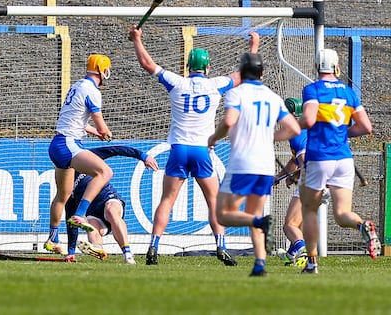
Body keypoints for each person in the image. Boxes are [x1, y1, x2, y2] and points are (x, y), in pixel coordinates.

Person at [129, 25, 259, 266]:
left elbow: (148, 65)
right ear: (207, 67)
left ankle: (153, 246)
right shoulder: (215, 84)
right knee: (214, 200)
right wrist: (253, 46)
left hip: (178, 149)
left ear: (188, 66)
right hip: (201, 150)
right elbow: (245, 75)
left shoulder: (176, 83)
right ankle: (221, 246)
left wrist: (137, 39)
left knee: (167, 200)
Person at [208, 53, 301, 277]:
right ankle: (260, 264)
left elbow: (229, 121)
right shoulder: (273, 97)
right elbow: (293, 129)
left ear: (242, 72)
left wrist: (214, 137)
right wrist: (269, 136)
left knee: (223, 214)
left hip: (243, 163)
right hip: (265, 165)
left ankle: (259, 222)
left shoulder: (236, 93)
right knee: (255, 211)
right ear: (263, 73)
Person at [298, 49, 380, 274]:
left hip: (319, 157)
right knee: (343, 214)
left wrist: (292, 123)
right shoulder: (349, 92)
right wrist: (344, 134)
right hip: (344, 159)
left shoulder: (312, 89)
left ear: (317, 66)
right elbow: (366, 127)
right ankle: (362, 225)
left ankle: (312, 263)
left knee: (309, 210)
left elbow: (308, 119)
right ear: (336, 67)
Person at [44, 54, 115, 255]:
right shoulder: (92, 91)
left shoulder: (77, 85)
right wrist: (105, 132)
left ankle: (52, 238)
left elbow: (77, 121)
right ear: (103, 71)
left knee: (63, 195)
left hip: (57, 144)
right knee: (104, 172)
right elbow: (100, 123)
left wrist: (95, 132)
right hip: (68, 144)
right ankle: (81, 214)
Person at [64, 144, 159, 264]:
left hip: (108, 199)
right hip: (93, 213)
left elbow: (115, 150)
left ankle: (128, 254)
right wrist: (71, 252)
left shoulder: (86, 157)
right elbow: (71, 219)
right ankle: (98, 249)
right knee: (91, 227)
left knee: (111, 211)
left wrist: (143, 156)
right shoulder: (66, 186)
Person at [274, 97, 308, 267]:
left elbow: (304, 161)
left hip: (310, 182)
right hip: (324, 180)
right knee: (298, 225)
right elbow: (295, 161)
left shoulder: (296, 133)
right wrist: (281, 176)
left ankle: (304, 252)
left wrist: (296, 176)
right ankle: (291, 256)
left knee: (289, 226)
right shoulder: (306, 128)